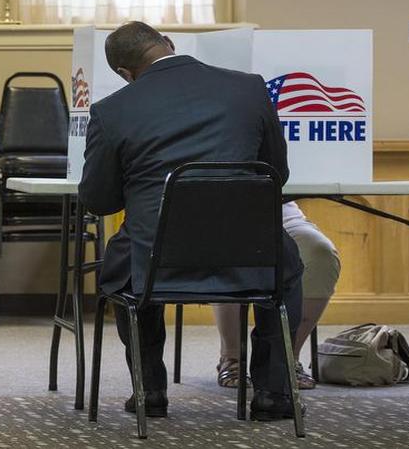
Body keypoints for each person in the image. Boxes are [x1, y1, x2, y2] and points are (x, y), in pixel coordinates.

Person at [79, 21, 304, 421]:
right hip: (249, 258)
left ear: (125, 74)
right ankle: (273, 393)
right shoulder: (249, 89)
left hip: (157, 264)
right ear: (169, 43)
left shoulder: (112, 111)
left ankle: (151, 393)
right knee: (286, 270)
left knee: (127, 264)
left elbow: (99, 201)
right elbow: (276, 173)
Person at [214, 202, 341, 389]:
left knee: (321, 254)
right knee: (229, 252)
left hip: (278, 206)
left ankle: (286, 360)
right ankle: (232, 358)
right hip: (216, 207)